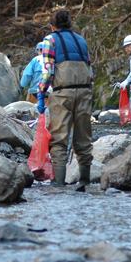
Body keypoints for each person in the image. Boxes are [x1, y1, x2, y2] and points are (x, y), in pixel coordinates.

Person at [37, 10, 93, 191]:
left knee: (59, 140)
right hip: (85, 92)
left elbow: (47, 71)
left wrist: (41, 93)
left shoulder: (49, 40)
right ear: (69, 24)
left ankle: (59, 185)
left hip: (62, 93)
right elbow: (89, 67)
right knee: (83, 140)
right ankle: (85, 181)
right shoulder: (81, 40)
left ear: (52, 26)